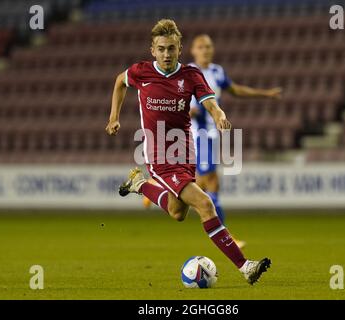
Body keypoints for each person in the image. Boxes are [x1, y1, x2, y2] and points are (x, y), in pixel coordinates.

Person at [105, 19, 270, 285]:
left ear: (180, 49)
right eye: (161, 49)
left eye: (171, 48)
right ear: (153, 50)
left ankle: (139, 185)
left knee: (178, 212)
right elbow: (119, 81)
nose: (166, 54)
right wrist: (113, 116)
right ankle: (245, 266)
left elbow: (211, 103)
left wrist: (219, 116)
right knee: (205, 204)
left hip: (185, 152)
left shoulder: (191, 76)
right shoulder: (141, 72)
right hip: (159, 156)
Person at [188, 34, 282, 248]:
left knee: (203, 184)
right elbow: (179, 100)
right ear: (193, 50)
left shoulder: (217, 71)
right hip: (197, 134)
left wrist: (265, 94)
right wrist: (188, 110)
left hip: (212, 134)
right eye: (201, 47)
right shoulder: (188, 72)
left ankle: (159, 188)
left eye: (209, 46)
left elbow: (236, 90)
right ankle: (225, 238)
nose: (206, 50)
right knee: (209, 181)